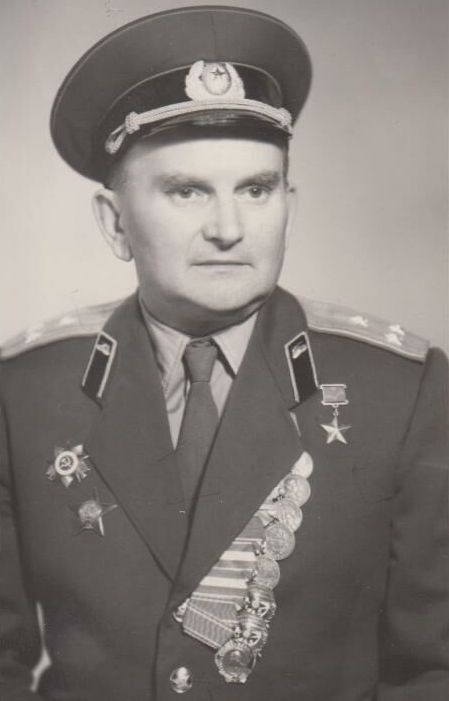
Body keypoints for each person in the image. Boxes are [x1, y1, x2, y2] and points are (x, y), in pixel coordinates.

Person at [0, 5, 447, 701]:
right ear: (114, 223)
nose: (229, 228)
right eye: (187, 191)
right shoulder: (25, 392)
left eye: (256, 189)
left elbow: (436, 669)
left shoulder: (402, 391)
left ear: (289, 206)